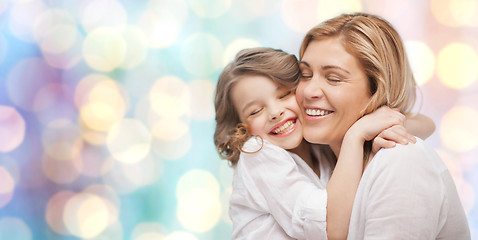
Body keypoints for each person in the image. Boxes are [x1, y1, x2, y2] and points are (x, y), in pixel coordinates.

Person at [214, 47, 433, 239]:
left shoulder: (318, 142)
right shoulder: (257, 152)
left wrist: (377, 123)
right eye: (255, 111)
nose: (275, 112)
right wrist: (356, 134)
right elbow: (330, 230)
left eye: (284, 94)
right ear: (240, 130)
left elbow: (426, 125)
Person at [296, 12, 470, 239]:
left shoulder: (400, 161)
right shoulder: (317, 162)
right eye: (304, 74)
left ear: (377, 88)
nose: (309, 91)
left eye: (334, 78)